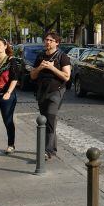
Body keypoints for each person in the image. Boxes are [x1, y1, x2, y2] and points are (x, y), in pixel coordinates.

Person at [31, 32, 71, 160]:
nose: (47, 42)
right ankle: (51, 149)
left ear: (57, 43)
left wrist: (52, 68)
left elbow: (67, 76)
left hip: (56, 91)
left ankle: (47, 151)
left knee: (50, 118)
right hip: (42, 92)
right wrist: (40, 67)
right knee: (44, 120)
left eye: (50, 40)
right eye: (46, 40)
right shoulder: (40, 56)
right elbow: (32, 75)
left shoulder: (62, 56)